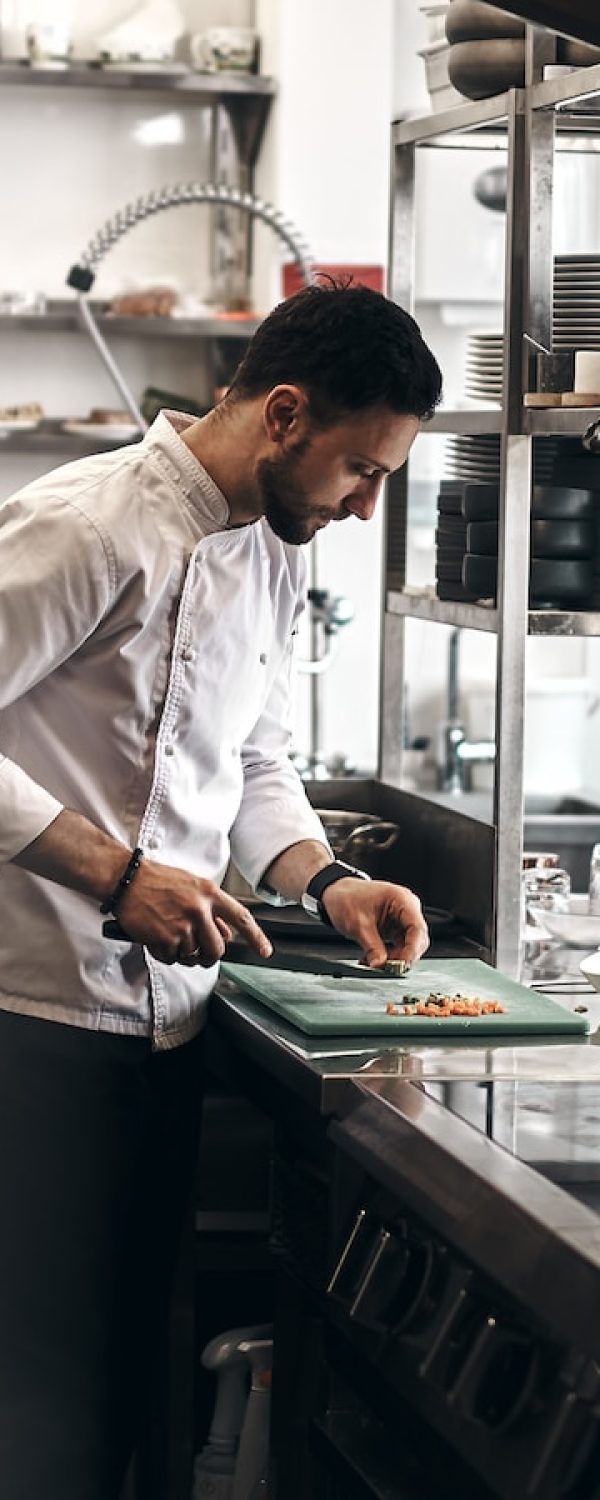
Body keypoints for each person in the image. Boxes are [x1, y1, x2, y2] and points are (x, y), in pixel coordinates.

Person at [0, 281, 442, 1497]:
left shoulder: (273, 552)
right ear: (285, 414)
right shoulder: (89, 524)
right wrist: (115, 872)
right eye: (361, 471)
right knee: (32, 1411)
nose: (365, 508)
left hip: (168, 1028)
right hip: (32, 1021)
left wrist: (326, 875)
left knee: (122, 1399)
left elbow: (251, 757)